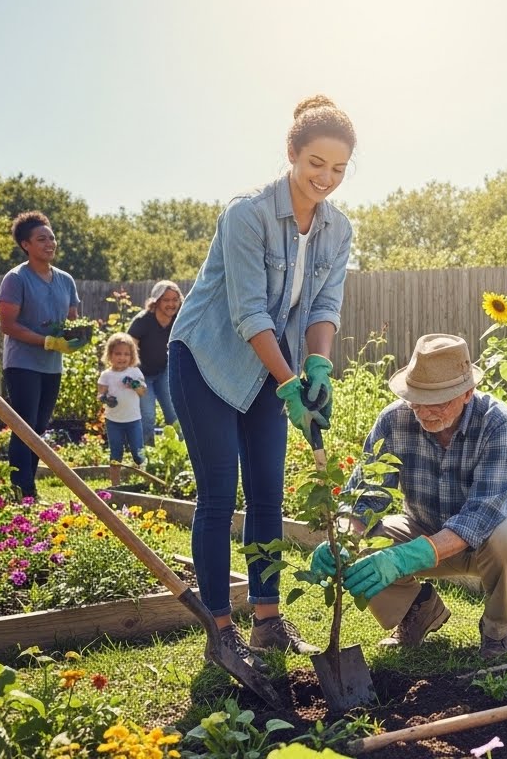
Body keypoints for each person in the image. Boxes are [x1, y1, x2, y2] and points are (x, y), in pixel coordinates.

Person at [168, 95, 356, 666]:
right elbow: (251, 313)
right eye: (316, 163)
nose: (326, 177)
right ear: (292, 153)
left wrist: (316, 366)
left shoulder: (337, 229)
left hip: (271, 371)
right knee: (220, 494)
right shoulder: (246, 215)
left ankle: (267, 621)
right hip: (209, 362)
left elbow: (325, 305)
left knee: (269, 493)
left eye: (339, 169)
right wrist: (289, 382)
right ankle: (221, 630)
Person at [312, 333, 507, 660]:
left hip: (488, 541)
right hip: (424, 528)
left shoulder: (498, 423)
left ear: (467, 393)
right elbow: (364, 497)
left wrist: (407, 557)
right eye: (417, 399)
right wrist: (342, 539)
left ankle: (496, 632)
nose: (426, 412)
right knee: (362, 544)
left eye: (439, 401)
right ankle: (417, 613)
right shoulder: (394, 420)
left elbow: (482, 514)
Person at [0, 211, 86, 498]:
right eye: (41, 239)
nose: (50, 243)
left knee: (38, 427)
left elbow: (72, 320)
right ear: (26, 245)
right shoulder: (16, 278)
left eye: (52, 238)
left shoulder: (65, 280)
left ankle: (26, 485)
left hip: (51, 365)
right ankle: (22, 489)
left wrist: (77, 337)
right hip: (22, 363)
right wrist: (46, 341)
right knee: (24, 425)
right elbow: (8, 325)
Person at [127, 280, 182, 446]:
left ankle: (181, 449)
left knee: (173, 412)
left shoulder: (179, 320)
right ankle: (146, 452)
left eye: (175, 299)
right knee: (148, 415)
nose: (171, 304)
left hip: (164, 372)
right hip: (143, 374)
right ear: (156, 301)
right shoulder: (143, 321)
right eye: (166, 300)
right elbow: (129, 348)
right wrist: (132, 378)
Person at [97, 333, 147, 486]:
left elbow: (143, 392)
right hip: (114, 421)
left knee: (138, 452)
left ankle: (145, 480)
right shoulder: (106, 375)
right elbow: (100, 395)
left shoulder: (134, 372)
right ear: (110, 355)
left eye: (126, 354)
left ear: (132, 356)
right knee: (115, 453)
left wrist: (134, 385)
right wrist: (106, 399)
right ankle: (115, 485)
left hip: (133, 420)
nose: (122, 357)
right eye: (118, 353)